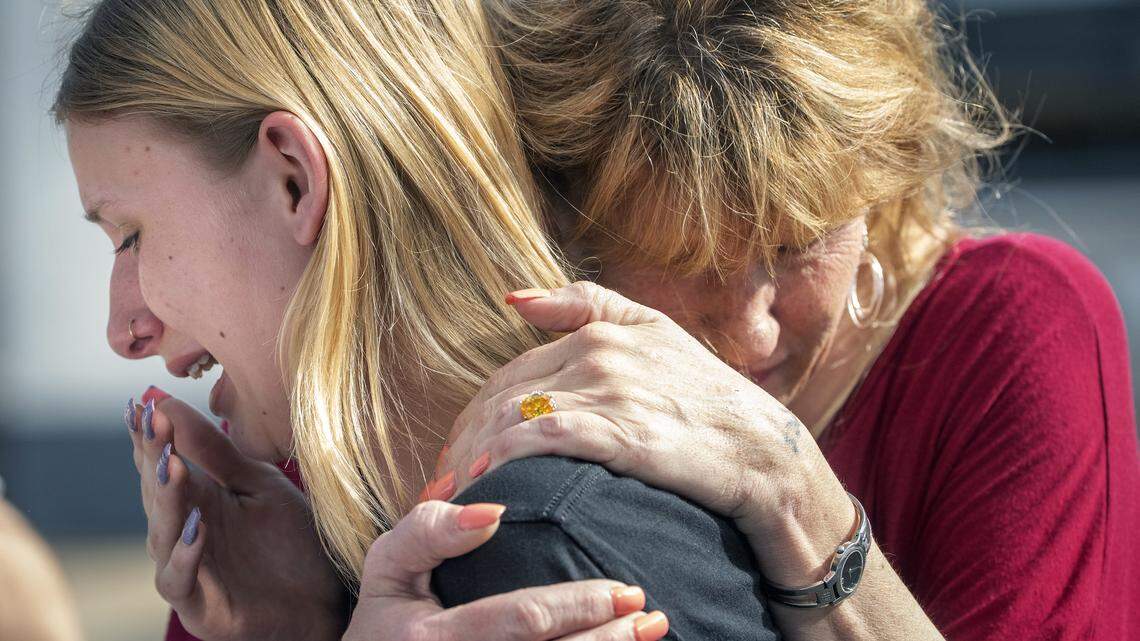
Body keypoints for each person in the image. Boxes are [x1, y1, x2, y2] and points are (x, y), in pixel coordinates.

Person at [59, 3, 1140, 641]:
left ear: (884, 171)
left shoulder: (1005, 328)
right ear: (564, 207)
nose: (755, 331)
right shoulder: (331, 465)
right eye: (680, 255)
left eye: (801, 236)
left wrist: (795, 488)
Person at [54, 1, 788, 640]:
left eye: (129, 235)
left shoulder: (528, 555)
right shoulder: (356, 549)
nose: (123, 331)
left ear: (294, 181)